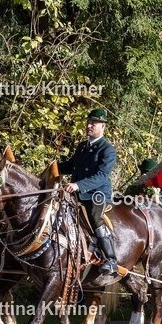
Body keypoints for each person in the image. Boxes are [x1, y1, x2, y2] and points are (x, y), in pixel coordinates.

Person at [58, 108, 119, 276]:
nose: (89, 125)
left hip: (97, 195)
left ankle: (111, 260)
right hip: (77, 193)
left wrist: (78, 185)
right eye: (88, 122)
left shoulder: (108, 150)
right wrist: (54, 167)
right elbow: (71, 166)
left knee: (94, 214)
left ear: (103, 126)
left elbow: (101, 176)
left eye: (93, 123)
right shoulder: (82, 146)